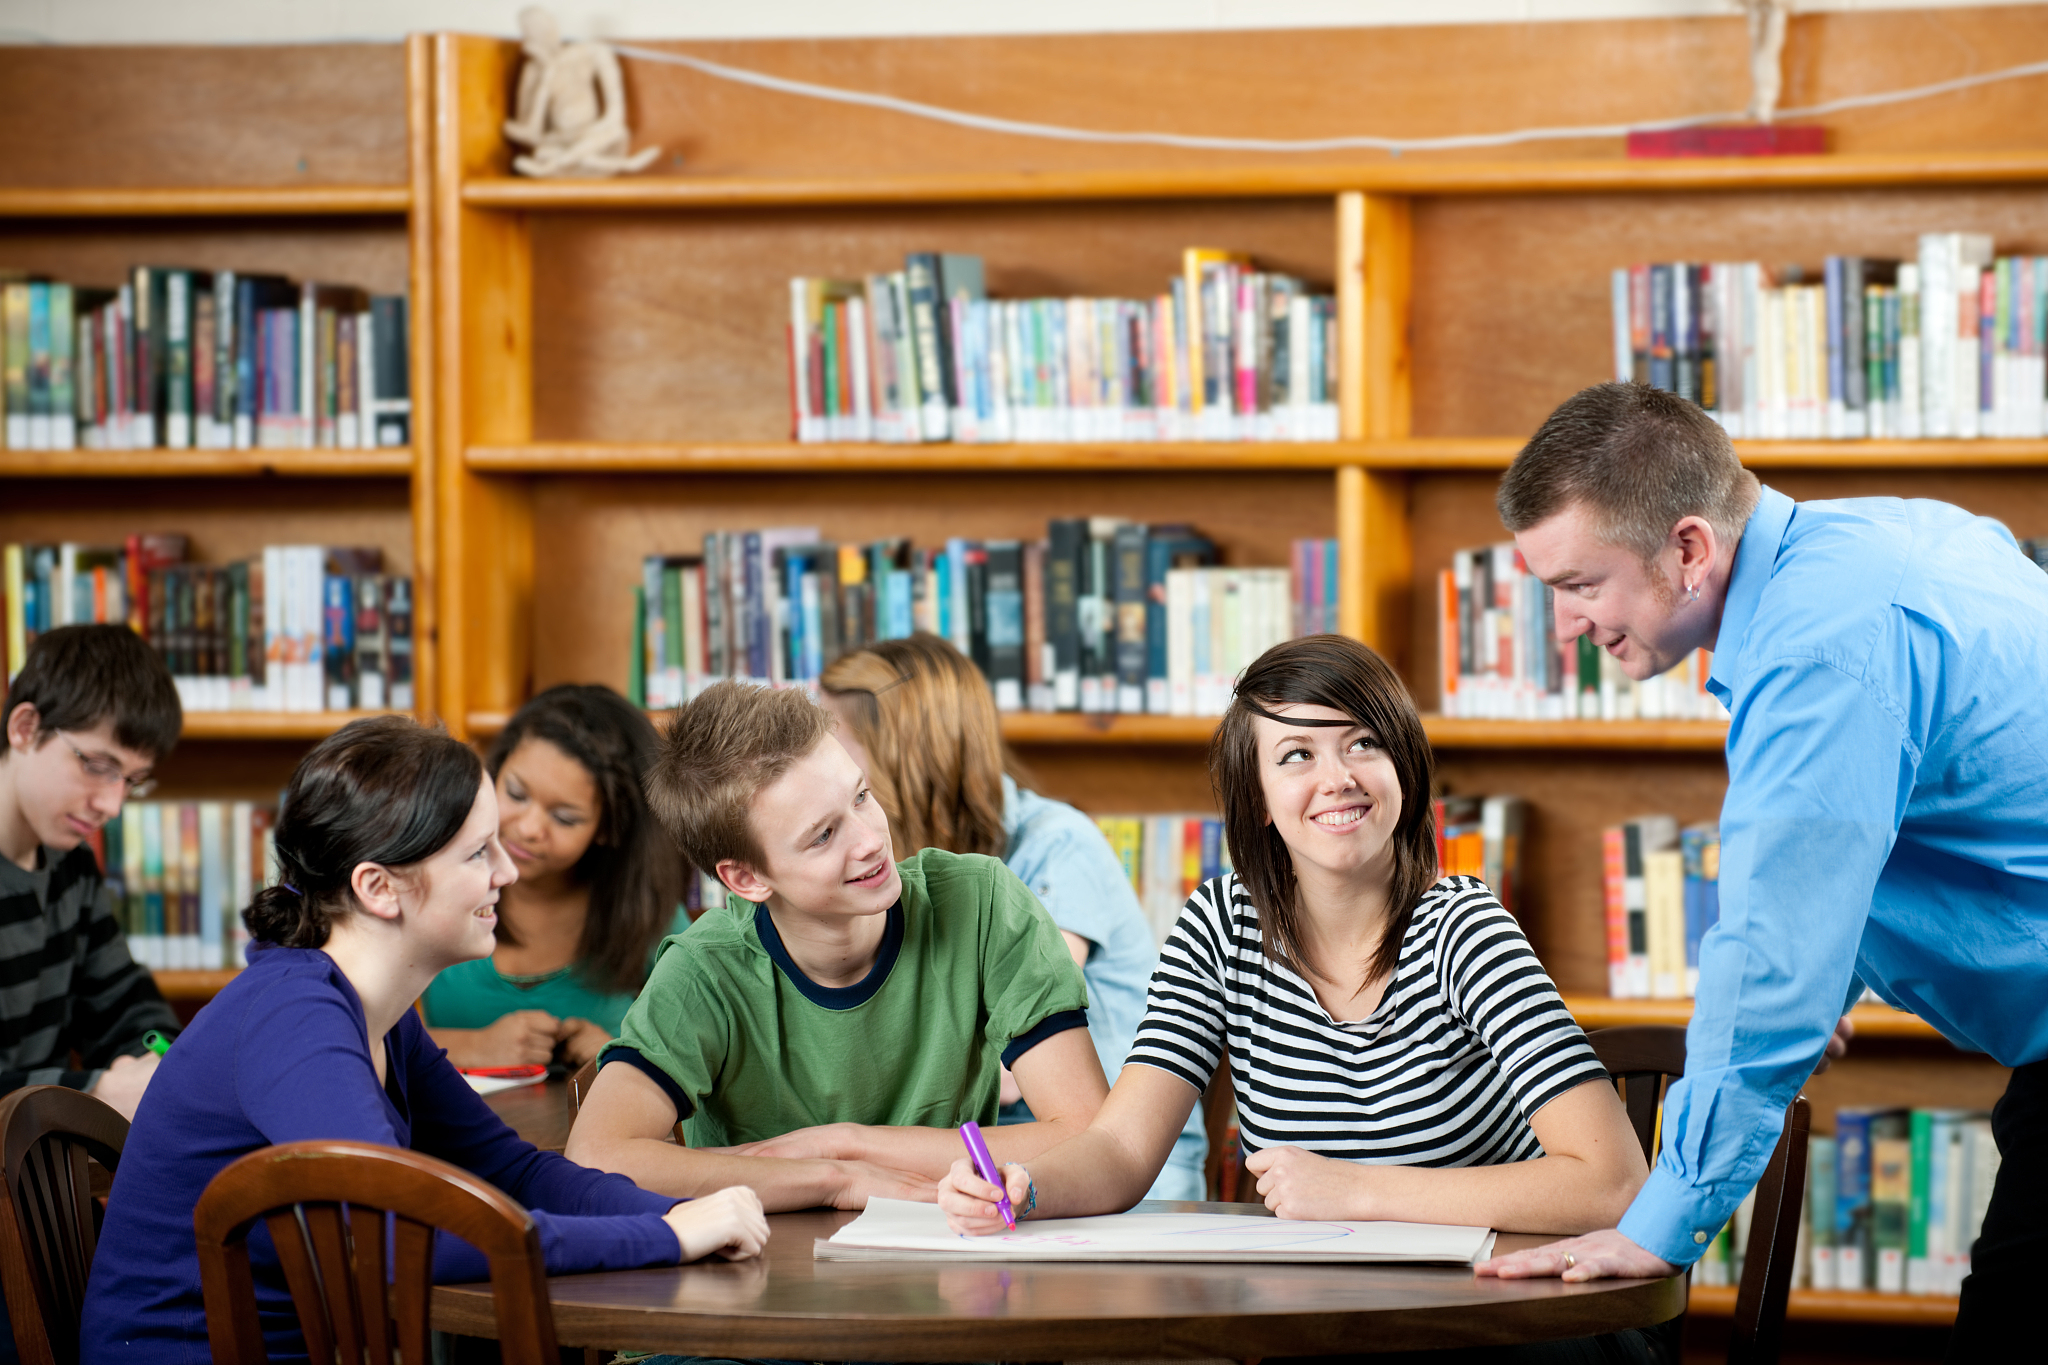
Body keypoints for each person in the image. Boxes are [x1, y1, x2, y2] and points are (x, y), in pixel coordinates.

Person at [1475, 382, 2048, 1361]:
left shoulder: (1816, 649)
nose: (1566, 625)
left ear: (1688, 548)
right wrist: (1832, 968)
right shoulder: (1880, 538)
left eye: (1578, 585)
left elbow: (1769, 955)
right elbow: (1930, 810)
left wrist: (1658, 1227)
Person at [940, 636, 1668, 1363]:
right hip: (1337, 1324)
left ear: (1404, 770)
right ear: (1257, 797)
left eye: (1362, 743)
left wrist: (1357, 1190)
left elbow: (1611, 1182)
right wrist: (1026, 1187)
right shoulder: (1221, 926)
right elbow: (1122, 1148)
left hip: (1515, 1324)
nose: (1338, 777)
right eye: (1297, 754)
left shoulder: (1467, 931)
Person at [80, 716, 767, 1362]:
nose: (508, 870)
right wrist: (665, 1236)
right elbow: (391, 1237)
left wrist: (682, 1213)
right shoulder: (296, 1019)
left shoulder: (375, 1012)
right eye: (478, 852)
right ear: (379, 887)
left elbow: (516, 1174)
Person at [565, 679, 1110, 1212]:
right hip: (768, 1277)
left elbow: (1093, 1136)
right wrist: (835, 1180)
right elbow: (595, 1157)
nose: (871, 839)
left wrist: (849, 1144)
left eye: (862, 796)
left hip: (951, 1254)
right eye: (824, 835)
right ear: (748, 879)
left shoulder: (982, 904)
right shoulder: (705, 969)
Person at [819, 633, 1207, 1201]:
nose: (816, 761)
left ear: (902, 751)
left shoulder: (1059, 848)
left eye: (833, 740)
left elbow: (1001, 1077)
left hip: (1115, 1179)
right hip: (983, 1167)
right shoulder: (888, 865)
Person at [423, 684, 686, 1070]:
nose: (529, 828)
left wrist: (625, 1055)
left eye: (564, 818)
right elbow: (351, 1035)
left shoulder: (652, 917)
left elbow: (704, 1066)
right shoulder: (430, 881)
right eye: (515, 793)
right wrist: (473, 1047)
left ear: (609, 829)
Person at [0, 624, 182, 1122]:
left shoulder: (72, 868)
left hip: (38, 1181)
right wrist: (96, 1092)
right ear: (25, 729)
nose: (112, 804)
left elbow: (127, 1008)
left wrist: (162, 1058)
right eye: (98, 765)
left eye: (131, 781)